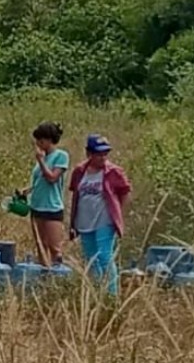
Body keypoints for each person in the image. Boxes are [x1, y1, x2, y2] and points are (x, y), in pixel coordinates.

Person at [69, 134, 131, 296]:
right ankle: (97, 292)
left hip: (104, 220)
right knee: (91, 259)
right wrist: (72, 222)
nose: (103, 157)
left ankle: (112, 295)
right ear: (89, 153)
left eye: (105, 154)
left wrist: (116, 212)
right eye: (98, 154)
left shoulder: (113, 172)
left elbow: (124, 191)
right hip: (84, 220)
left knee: (104, 256)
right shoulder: (80, 171)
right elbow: (75, 194)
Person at [19, 122, 69, 266]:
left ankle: (57, 273)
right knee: (41, 246)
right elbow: (40, 181)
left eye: (41, 141)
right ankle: (44, 273)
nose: (38, 144)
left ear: (48, 140)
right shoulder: (43, 158)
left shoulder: (61, 156)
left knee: (54, 247)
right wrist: (28, 189)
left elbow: (52, 178)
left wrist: (41, 161)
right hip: (37, 205)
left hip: (51, 206)